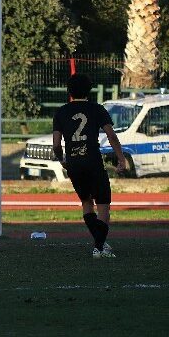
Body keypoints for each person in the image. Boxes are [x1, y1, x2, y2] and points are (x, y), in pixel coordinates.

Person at [52, 72, 128, 258]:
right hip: (93, 161)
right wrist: (121, 158)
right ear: (90, 90)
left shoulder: (61, 112)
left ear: (69, 91)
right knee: (103, 205)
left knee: (86, 202)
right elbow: (110, 135)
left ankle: (100, 244)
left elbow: (56, 143)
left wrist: (63, 160)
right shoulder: (97, 109)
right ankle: (99, 247)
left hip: (74, 163)